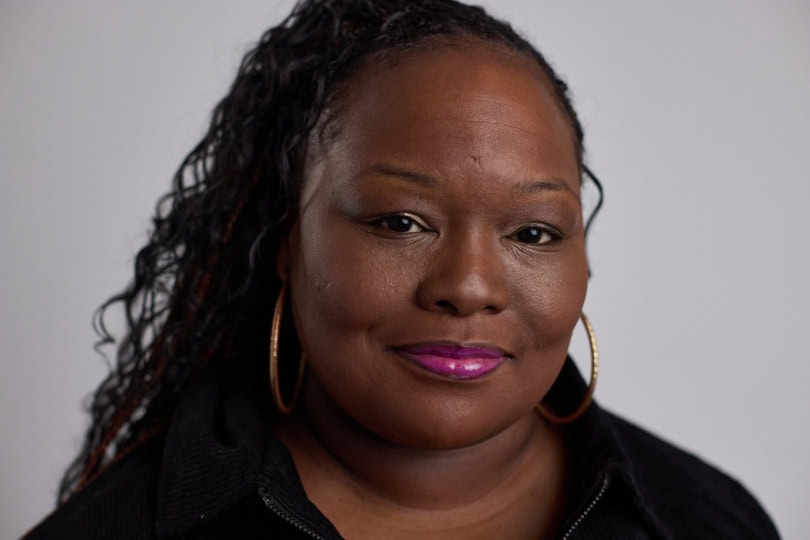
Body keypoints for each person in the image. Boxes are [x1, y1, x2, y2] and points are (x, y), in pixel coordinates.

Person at [26, 0, 779, 538]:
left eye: (534, 231)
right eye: (400, 222)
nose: (469, 286)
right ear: (287, 241)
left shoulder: (705, 518)